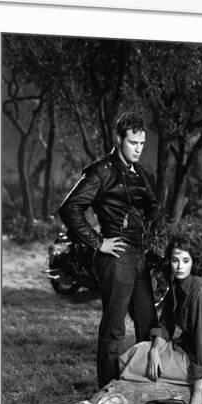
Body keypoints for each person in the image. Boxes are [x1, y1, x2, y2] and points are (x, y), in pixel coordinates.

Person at [59, 112, 159, 388]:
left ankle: (144, 385)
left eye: (142, 143)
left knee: (148, 322)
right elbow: (70, 208)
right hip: (116, 257)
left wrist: (147, 218)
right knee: (114, 330)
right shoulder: (101, 171)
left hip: (138, 256)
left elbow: (153, 205)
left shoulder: (139, 173)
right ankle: (107, 390)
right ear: (119, 139)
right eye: (133, 143)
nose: (138, 149)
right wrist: (98, 241)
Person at [119, 235, 202, 404]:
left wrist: (198, 392)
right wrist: (154, 350)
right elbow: (166, 323)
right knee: (140, 351)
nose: (179, 266)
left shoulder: (201, 292)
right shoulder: (176, 284)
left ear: (194, 262)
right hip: (185, 348)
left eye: (185, 260)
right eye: (175, 260)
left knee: (134, 363)